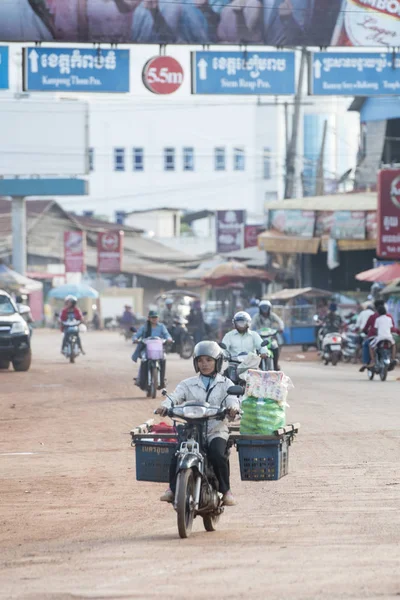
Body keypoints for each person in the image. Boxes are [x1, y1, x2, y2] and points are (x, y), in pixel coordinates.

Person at [155, 340, 240, 506]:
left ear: (218, 362)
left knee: (217, 453)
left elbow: (233, 400)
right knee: (177, 452)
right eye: (200, 360)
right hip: (191, 431)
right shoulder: (188, 383)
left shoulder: (226, 384)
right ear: (195, 363)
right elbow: (174, 397)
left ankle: (226, 491)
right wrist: (164, 406)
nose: (204, 364)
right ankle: (172, 489)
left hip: (216, 430)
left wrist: (232, 408)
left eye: (209, 360)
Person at [132, 310, 172, 388]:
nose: (154, 319)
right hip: (146, 350)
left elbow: (167, 335)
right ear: (149, 318)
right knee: (144, 359)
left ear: (158, 318)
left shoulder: (161, 327)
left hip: (158, 350)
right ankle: (141, 380)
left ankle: (162, 380)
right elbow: (136, 335)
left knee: (163, 358)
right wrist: (135, 339)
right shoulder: (145, 327)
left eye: (156, 317)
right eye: (152, 317)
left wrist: (169, 339)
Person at [251, 301, 284, 370]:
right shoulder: (256, 317)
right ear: (260, 309)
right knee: (255, 349)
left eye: (266, 308)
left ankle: (275, 364)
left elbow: (280, 321)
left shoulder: (272, 316)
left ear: (269, 308)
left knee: (276, 345)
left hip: (270, 336)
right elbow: (251, 324)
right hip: (259, 337)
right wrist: (249, 331)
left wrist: (281, 328)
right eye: (263, 308)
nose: (265, 310)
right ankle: (258, 363)